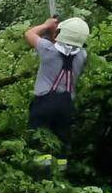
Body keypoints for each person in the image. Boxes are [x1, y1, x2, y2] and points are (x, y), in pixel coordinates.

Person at [24, 16, 89, 170]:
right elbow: (66, 50)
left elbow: (29, 34)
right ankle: (61, 175)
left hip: (44, 104)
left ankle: (40, 174)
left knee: (38, 139)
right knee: (62, 140)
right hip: (66, 106)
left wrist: (46, 25)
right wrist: (55, 34)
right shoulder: (83, 56)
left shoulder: (47, 50)